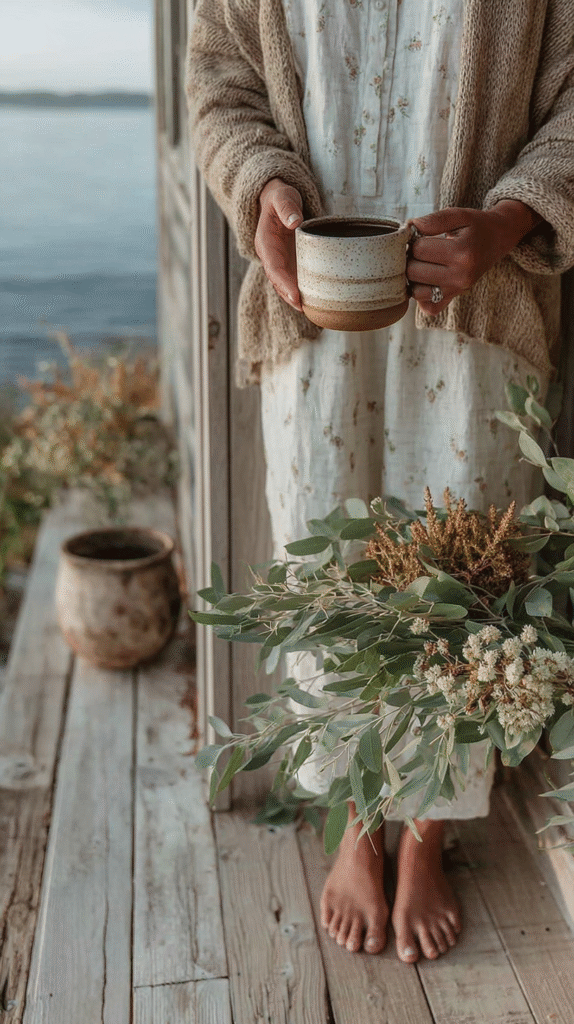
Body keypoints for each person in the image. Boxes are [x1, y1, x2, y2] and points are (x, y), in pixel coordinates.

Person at [186, 0, 574, 964]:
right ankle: (360, 826)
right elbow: (219, 83)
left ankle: (430, 836)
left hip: (479, 312)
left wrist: (508, 218)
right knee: (334, 572)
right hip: (315, 309)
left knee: (467, 574)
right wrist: (263, 187)